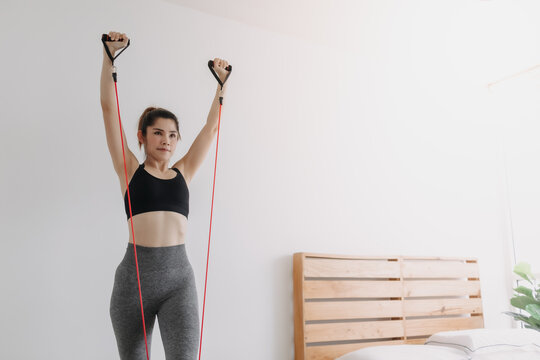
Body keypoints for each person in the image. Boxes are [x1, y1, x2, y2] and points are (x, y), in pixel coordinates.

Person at [100, 30, 230, 359]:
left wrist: (222, 86)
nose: (166, 141)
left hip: (178, 282)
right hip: (134, 280)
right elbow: (107, 109)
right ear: (142, 137)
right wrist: (108, 58)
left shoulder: (183, 173)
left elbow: (210, 128)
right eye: (158, 133)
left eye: (172, 135)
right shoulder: (129, 170)